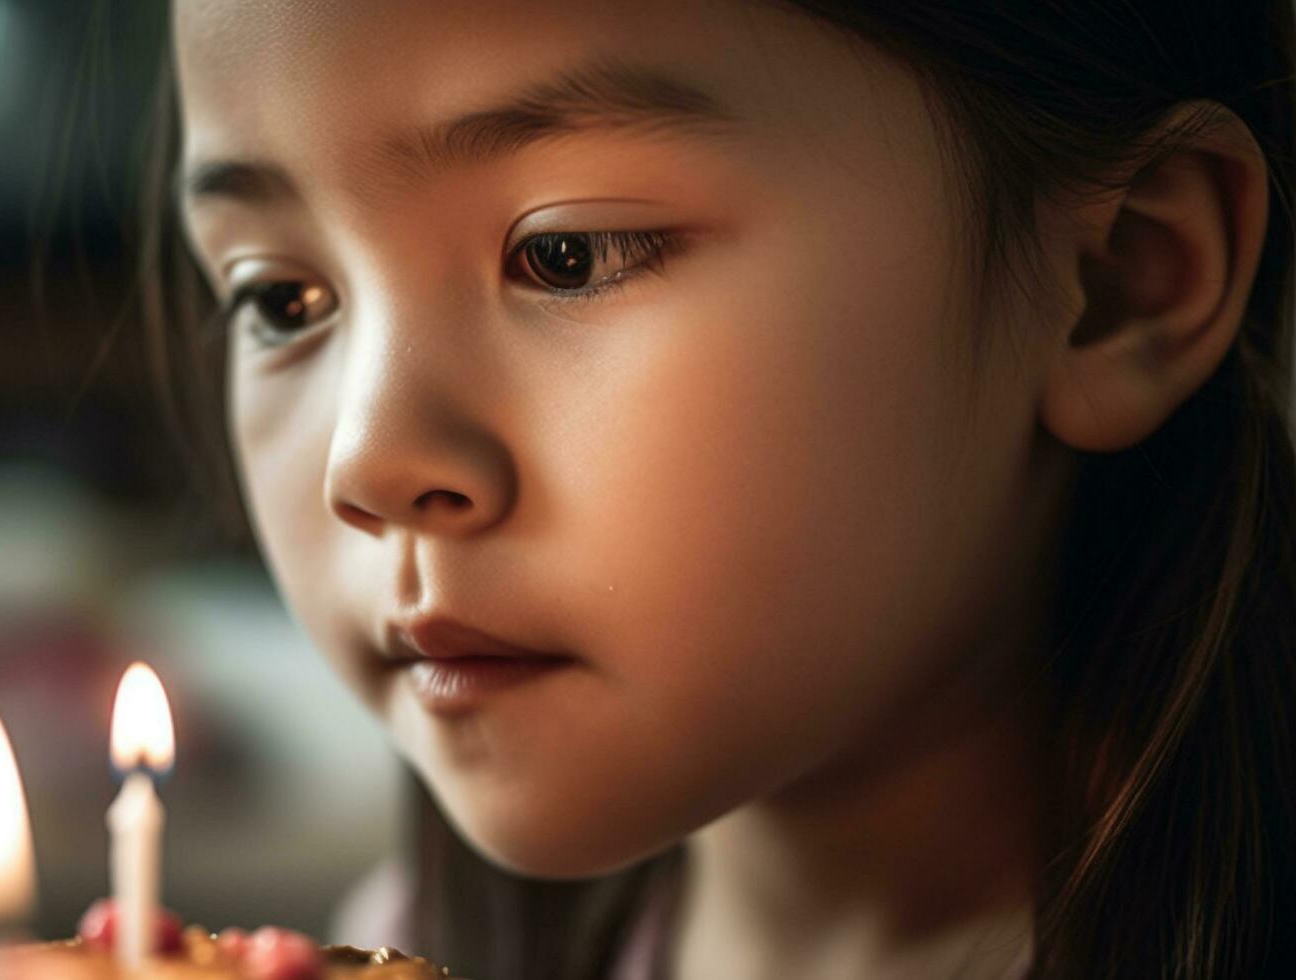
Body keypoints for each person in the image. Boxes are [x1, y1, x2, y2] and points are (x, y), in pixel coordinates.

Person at [132, 2, 1296, 977]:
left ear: (1117, 283)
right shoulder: (395, 945)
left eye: (566, 253)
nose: (367, 465)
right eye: (281, 300)